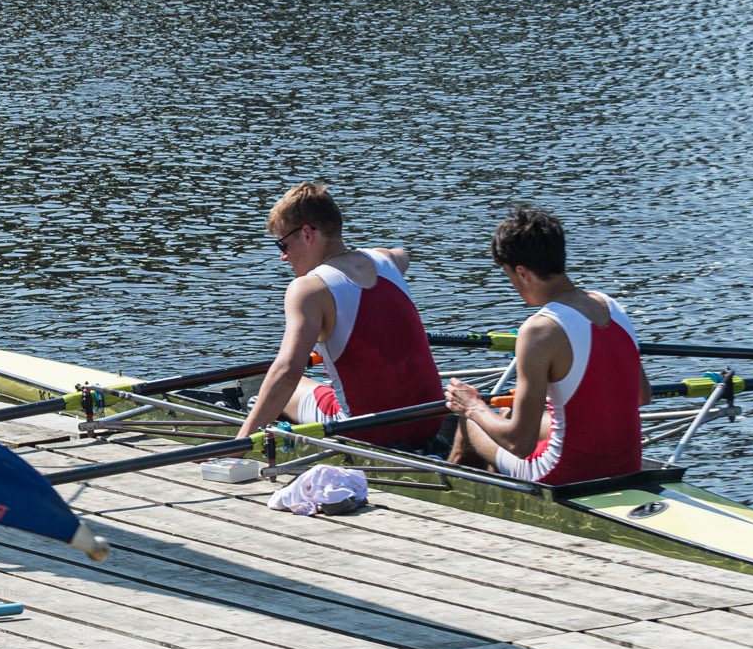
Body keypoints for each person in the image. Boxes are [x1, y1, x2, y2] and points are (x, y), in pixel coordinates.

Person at [232, 182, 444, 452]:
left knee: (271, 383)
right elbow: (403, 255)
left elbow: (287, 371)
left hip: (365, 433)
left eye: (283, 244)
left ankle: (251, 428)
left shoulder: (308, 289)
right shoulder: (386, 260)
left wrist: (241, 444)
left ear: (307, 234)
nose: (283, 257)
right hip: (431, 419)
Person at [444, 205, 648, 485]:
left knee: (469, 424)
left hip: (561, 475)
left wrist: (472, 406)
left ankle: (449, 496)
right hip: (628, 466)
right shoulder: (612, 307)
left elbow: (519, 443)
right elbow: (640, 396)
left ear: (522, 272)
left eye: (508, 275)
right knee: (508, 415)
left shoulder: (539, 330)